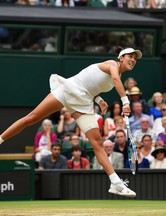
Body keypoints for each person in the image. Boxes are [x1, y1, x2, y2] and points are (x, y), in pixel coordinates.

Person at [0, 46, 142, 197]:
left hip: (83, 102)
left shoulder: (117, 77)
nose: (133, 60)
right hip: (69, 91)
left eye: (135, 58)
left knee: (97, 142)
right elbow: (106, 79)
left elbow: (91, 84)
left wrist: (99, 99)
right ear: (121, 58)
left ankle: (116, 183)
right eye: (130, 56)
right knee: (31, 118)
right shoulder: (112, 66)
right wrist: (125, 102)